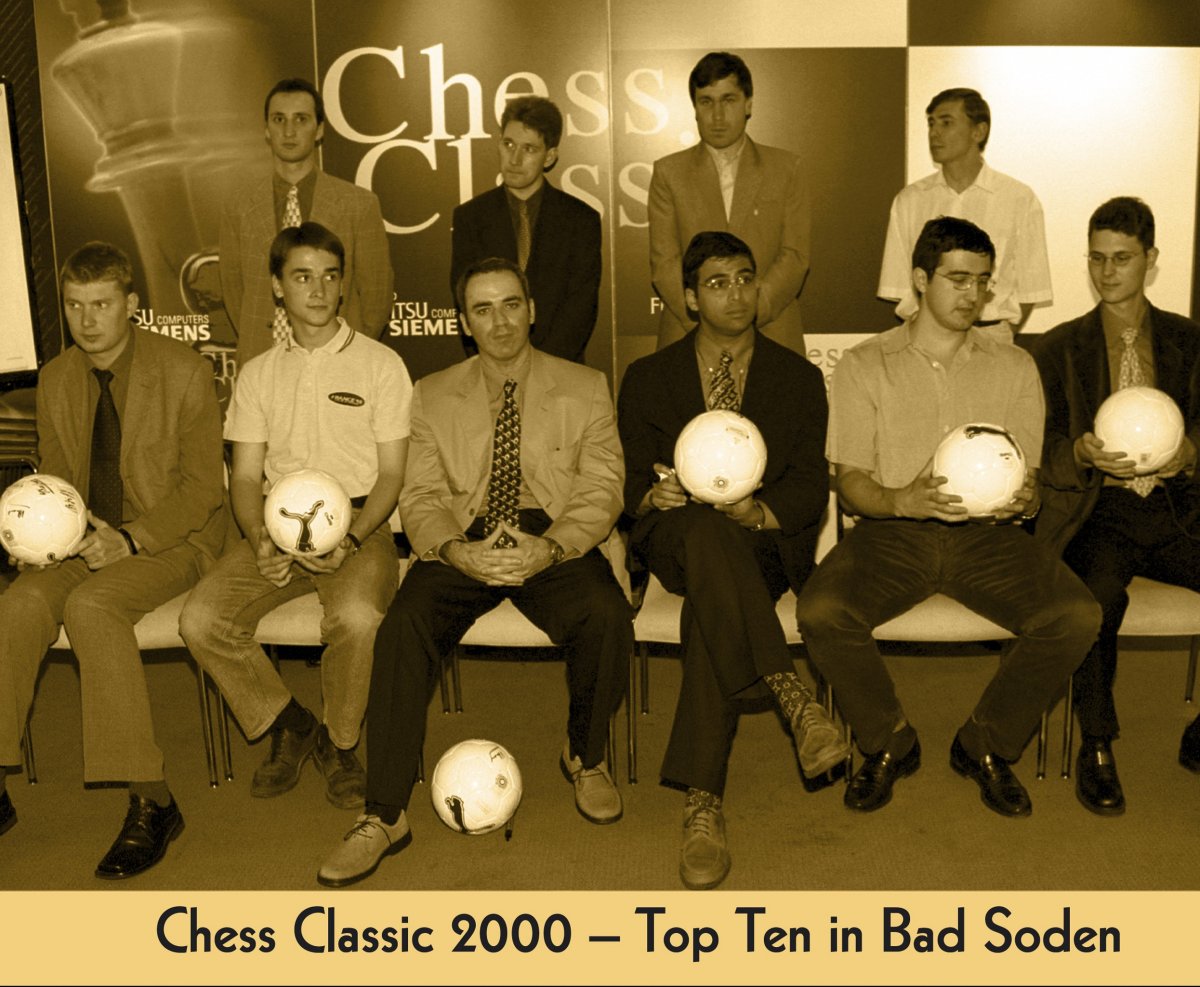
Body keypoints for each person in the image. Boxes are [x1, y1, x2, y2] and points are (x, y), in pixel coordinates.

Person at [316, 256, 631, 888]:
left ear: (531, 309)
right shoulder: (431, 393)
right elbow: (420, 495)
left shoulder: (586, 385)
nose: (500, 321)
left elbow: (602, 486)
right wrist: (456, 550)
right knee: (402, 626)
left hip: (552, 532)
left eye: (511, 304)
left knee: (604, 614)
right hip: (464, 535)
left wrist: (552, 548)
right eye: (483, 310)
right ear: (465, 322)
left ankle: (585, 755)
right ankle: (384, 813)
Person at [796, 217, 1100, 818]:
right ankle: (890, 740)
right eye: (958, 279)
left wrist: (1026, 500)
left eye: (982, 281)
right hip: (892, 533)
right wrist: (900, 501)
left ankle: (984, 743)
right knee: (822, 611)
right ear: (919, 279)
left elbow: (1029, 478)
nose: (972, 294)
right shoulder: (864, 364)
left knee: (1076, 615)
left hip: (990, 538)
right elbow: (851, 484)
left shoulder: (1014, 366)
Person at [619, 230, 845, 890]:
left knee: (712, 598)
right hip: (675, 537)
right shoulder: (647, 378)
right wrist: (651, 494)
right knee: (700, 531)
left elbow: (810, 483)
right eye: (717, 283)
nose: (737, 294)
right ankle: (790, 692)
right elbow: (624, 479)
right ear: (690, 298)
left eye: (746, 278)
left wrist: (761, 511)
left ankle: (703, 803)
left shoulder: (798, 377)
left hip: (762, 545)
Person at [0, 242, 228, 877]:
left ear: (131, 303)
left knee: (93, 606)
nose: (87, 320)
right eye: (75, 306)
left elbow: (204, 491)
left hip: (173, 539)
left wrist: (129, 539)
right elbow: (55, 480)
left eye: (101, 304)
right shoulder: (56, 377)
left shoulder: (183, 371)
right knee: (17, 606)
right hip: (85, 538)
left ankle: (154, 800)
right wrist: (40, 540)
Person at [181, 222, 410, 811]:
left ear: (343, 284)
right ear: (278, 287)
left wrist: (352, 540)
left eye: (330, 276)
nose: (318, 289)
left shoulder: (382, 365)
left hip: (360, 526)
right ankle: (289, 721)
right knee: (201, 620)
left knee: (357, 617)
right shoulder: (258, 373)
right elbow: (246, 478)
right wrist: (260, 538)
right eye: (302, 277)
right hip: (276, 527)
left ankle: (340, 742)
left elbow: (391, 476)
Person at [1032, 196, 1200, 815]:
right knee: (1095, 599)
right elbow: (1040, 445)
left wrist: (1191, 452)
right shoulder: (1057, 348)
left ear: (1151, 260)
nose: (1107, 272)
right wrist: (1078, 452)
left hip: (1179, 505)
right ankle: (1097, 744)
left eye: (1122, 258)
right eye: (1097, 258)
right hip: (1100, 510)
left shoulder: (1190, 340)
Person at [220, 78, 394, 367]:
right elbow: (234, 292)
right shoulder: (238, 206)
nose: (289, 131)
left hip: (342, 364)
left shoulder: (359, 205)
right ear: (266, 129)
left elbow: (376, 297)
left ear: (319, 129)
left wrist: (348, 354)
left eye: (301, 119)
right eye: (279, 119)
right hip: (262, 362)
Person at [648, 52, 810, 354]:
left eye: (729, 100)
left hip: (772, 332)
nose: (718, 115)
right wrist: (709, 321)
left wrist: (748, 312)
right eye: (706, 102)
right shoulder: (669, 173)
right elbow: (665, 264)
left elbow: (795, 256)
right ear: (695, 108)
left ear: (749, 104)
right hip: (690, 332)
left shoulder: (786, 169)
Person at [878, 88, 1052, 335]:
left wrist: (1000, 335)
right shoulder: (911, 200)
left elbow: (1031, 286)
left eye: (946, 123)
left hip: (992, 334)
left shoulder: (1018, 198)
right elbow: (898, 284)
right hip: (925, 336)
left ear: (978, 131)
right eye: (931, 123)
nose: (934, 133)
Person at [450, 96, 601, 363]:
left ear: (549, 156)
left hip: (561, 369)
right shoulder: (470, 217)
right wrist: (498, 367)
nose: (515, 159)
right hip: (491, 369)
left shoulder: (581, 220)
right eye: (509, 144)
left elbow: (580, 309)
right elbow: (467, 302)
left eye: (529, 148)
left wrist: (542, 370)